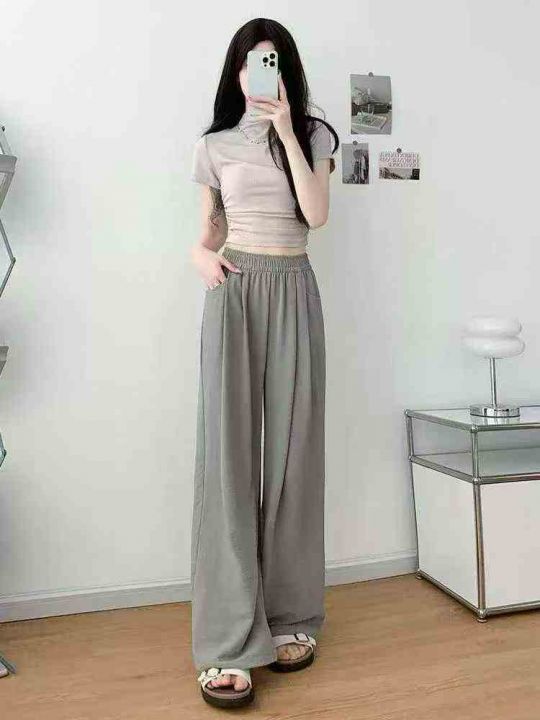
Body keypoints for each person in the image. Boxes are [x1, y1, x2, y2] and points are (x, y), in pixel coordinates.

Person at [189, 17, 339, 709]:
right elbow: (209, 230)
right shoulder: (213, 144)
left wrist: (286, 131)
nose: (262, 71)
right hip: (236, 290)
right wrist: (196, 254)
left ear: (288, 69)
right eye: (252, 61)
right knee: (228, 462)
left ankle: (290, 615)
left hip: (294, 286)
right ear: (237, 71)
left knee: (293, 458)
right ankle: (227, 641)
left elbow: (317, 214)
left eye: (273, 59)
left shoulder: (314, 135)